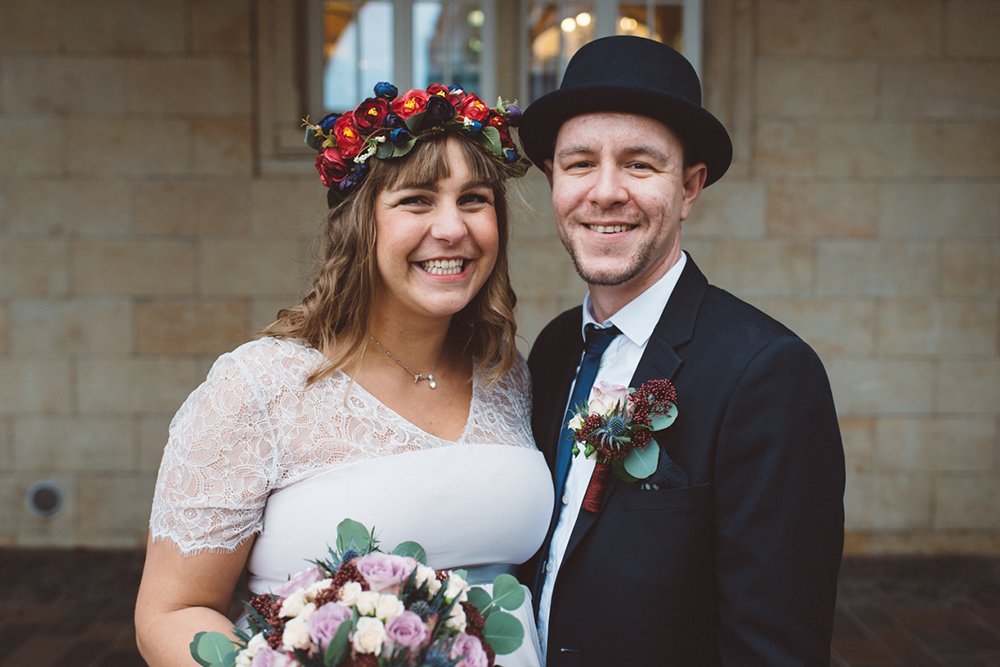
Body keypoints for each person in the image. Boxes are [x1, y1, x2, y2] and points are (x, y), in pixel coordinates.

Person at [135, 82, 552, 666]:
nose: (453, 228)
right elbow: (172, 613)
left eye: (475, 199)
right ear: (361, 224)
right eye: (416, 200)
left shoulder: (508, 376)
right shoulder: (259, 385)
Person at [517, 36, 846, 665]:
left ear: (690, 187)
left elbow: (776, 645)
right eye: (580, 163)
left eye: (640, 165)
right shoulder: (556, 346)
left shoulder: (768, 373)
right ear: (555, 182)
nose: (605, 192)